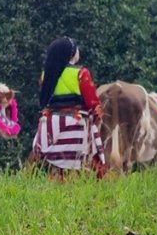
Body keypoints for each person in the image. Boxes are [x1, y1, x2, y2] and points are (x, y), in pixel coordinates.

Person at [30, 36, 107, 178]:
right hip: (76, 123)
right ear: (71, 53)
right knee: (96, 157)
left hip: (50, 124)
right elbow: (93, 104)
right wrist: (97, 117)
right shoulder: (81, 73)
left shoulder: (45, 75)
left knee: (35, 156)